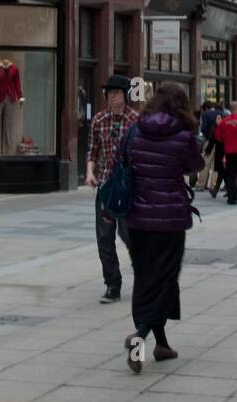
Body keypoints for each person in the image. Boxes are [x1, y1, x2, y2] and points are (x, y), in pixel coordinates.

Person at [122, 83, 204, 374]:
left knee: (146, 277)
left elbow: (123, 161)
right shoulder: (183, 136)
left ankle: (162, 344)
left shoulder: (135, 130)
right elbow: (194, 167)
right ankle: (140, 336)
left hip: (138, 219)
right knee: (166, 278)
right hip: (169, 220)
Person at [87, 74, 139, 302]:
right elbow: (93, 150)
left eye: (116, 93)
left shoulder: (136, 120)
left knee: (130, 235)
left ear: (125, 95)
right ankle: (112, 284)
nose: (112, 96)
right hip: (106, 187)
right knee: (104, 237)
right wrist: (90, 172)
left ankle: (145, 278)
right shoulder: (99, 120)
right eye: (109, 93)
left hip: (129, 188)